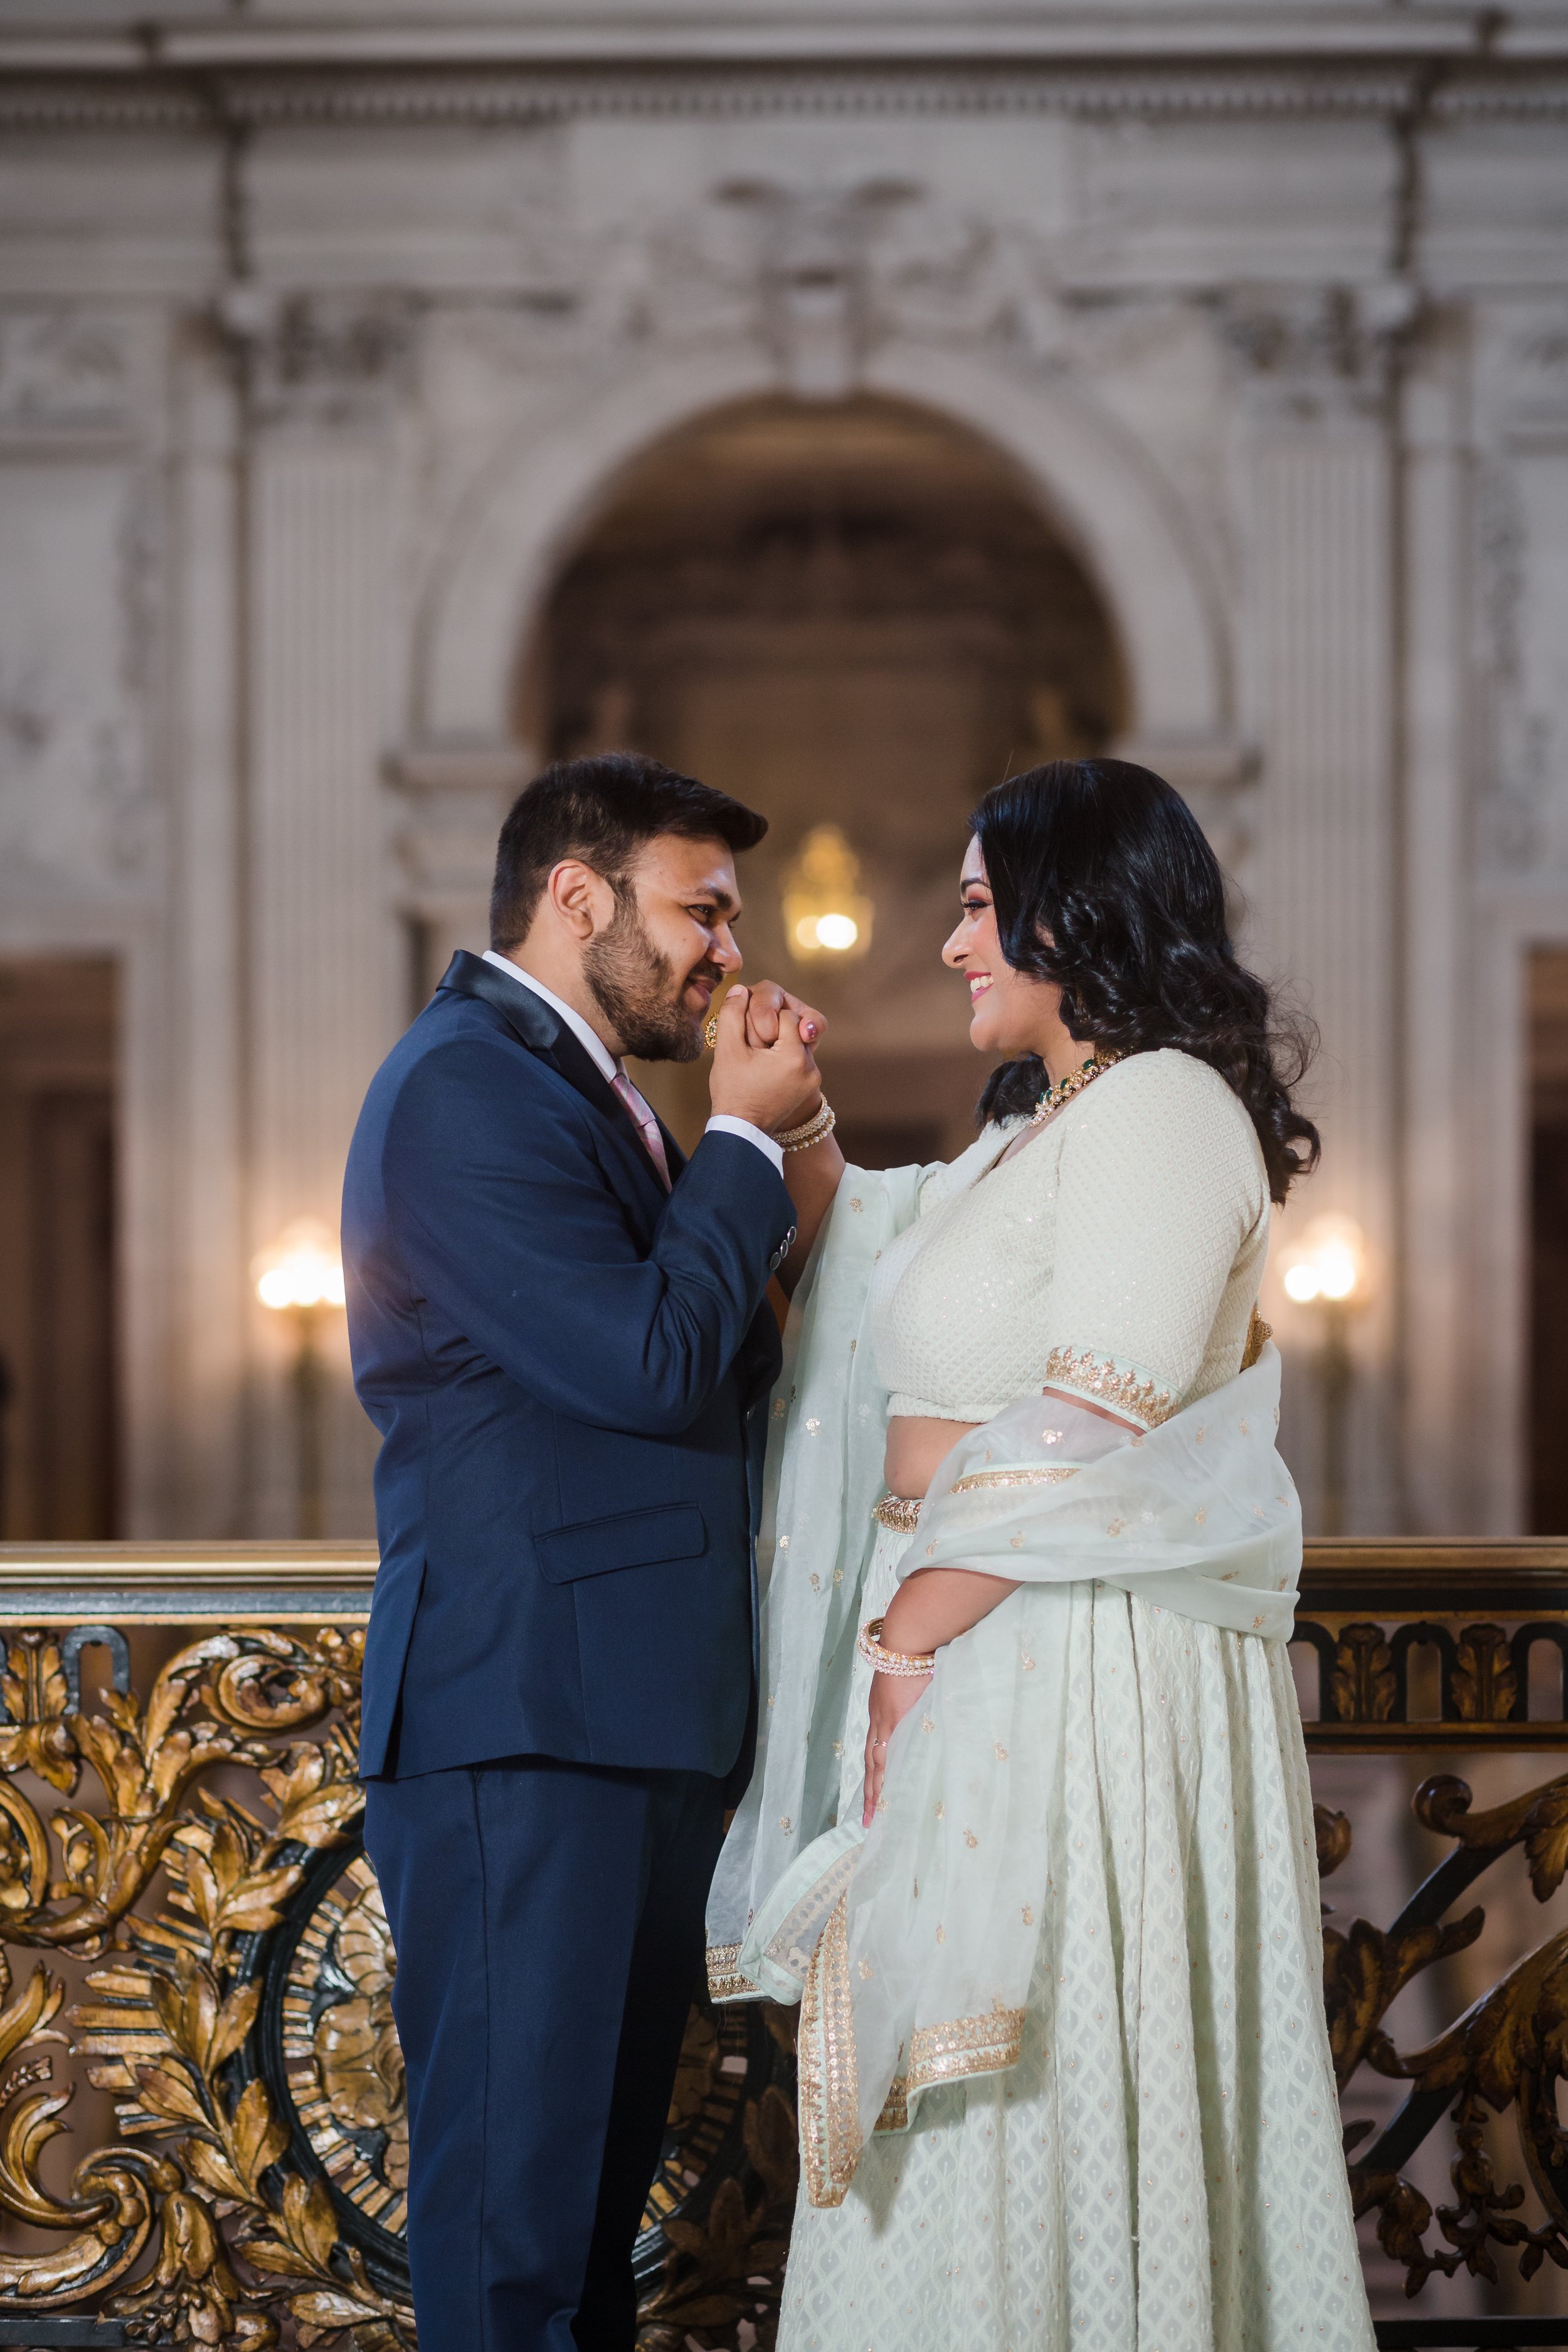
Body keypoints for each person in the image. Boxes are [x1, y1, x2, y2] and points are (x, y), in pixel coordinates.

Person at [708, 758, 1377, 2350]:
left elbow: (1097, 1411)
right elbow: (885, 1266)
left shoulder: (1162, 1108)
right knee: (948, 2106)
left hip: (1071, 1668)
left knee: (1039, 2078)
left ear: (1073, 914)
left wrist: (903, 1640)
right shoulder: (1040, 1125)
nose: (948, 948)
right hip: (987, 1649)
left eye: (974, 909)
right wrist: (790, 1124)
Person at [342, 753, 827, 2352]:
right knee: (516, 2259)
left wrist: (781, 1162)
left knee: (583, 2248)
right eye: (699, 911)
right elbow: (639, 1365)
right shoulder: (462, 1087)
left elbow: (715, 1361)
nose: (726, 952)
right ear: (575, 896)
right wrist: (740, 1150)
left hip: (618, 1726)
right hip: (521, 1727)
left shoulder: (575, 1089)